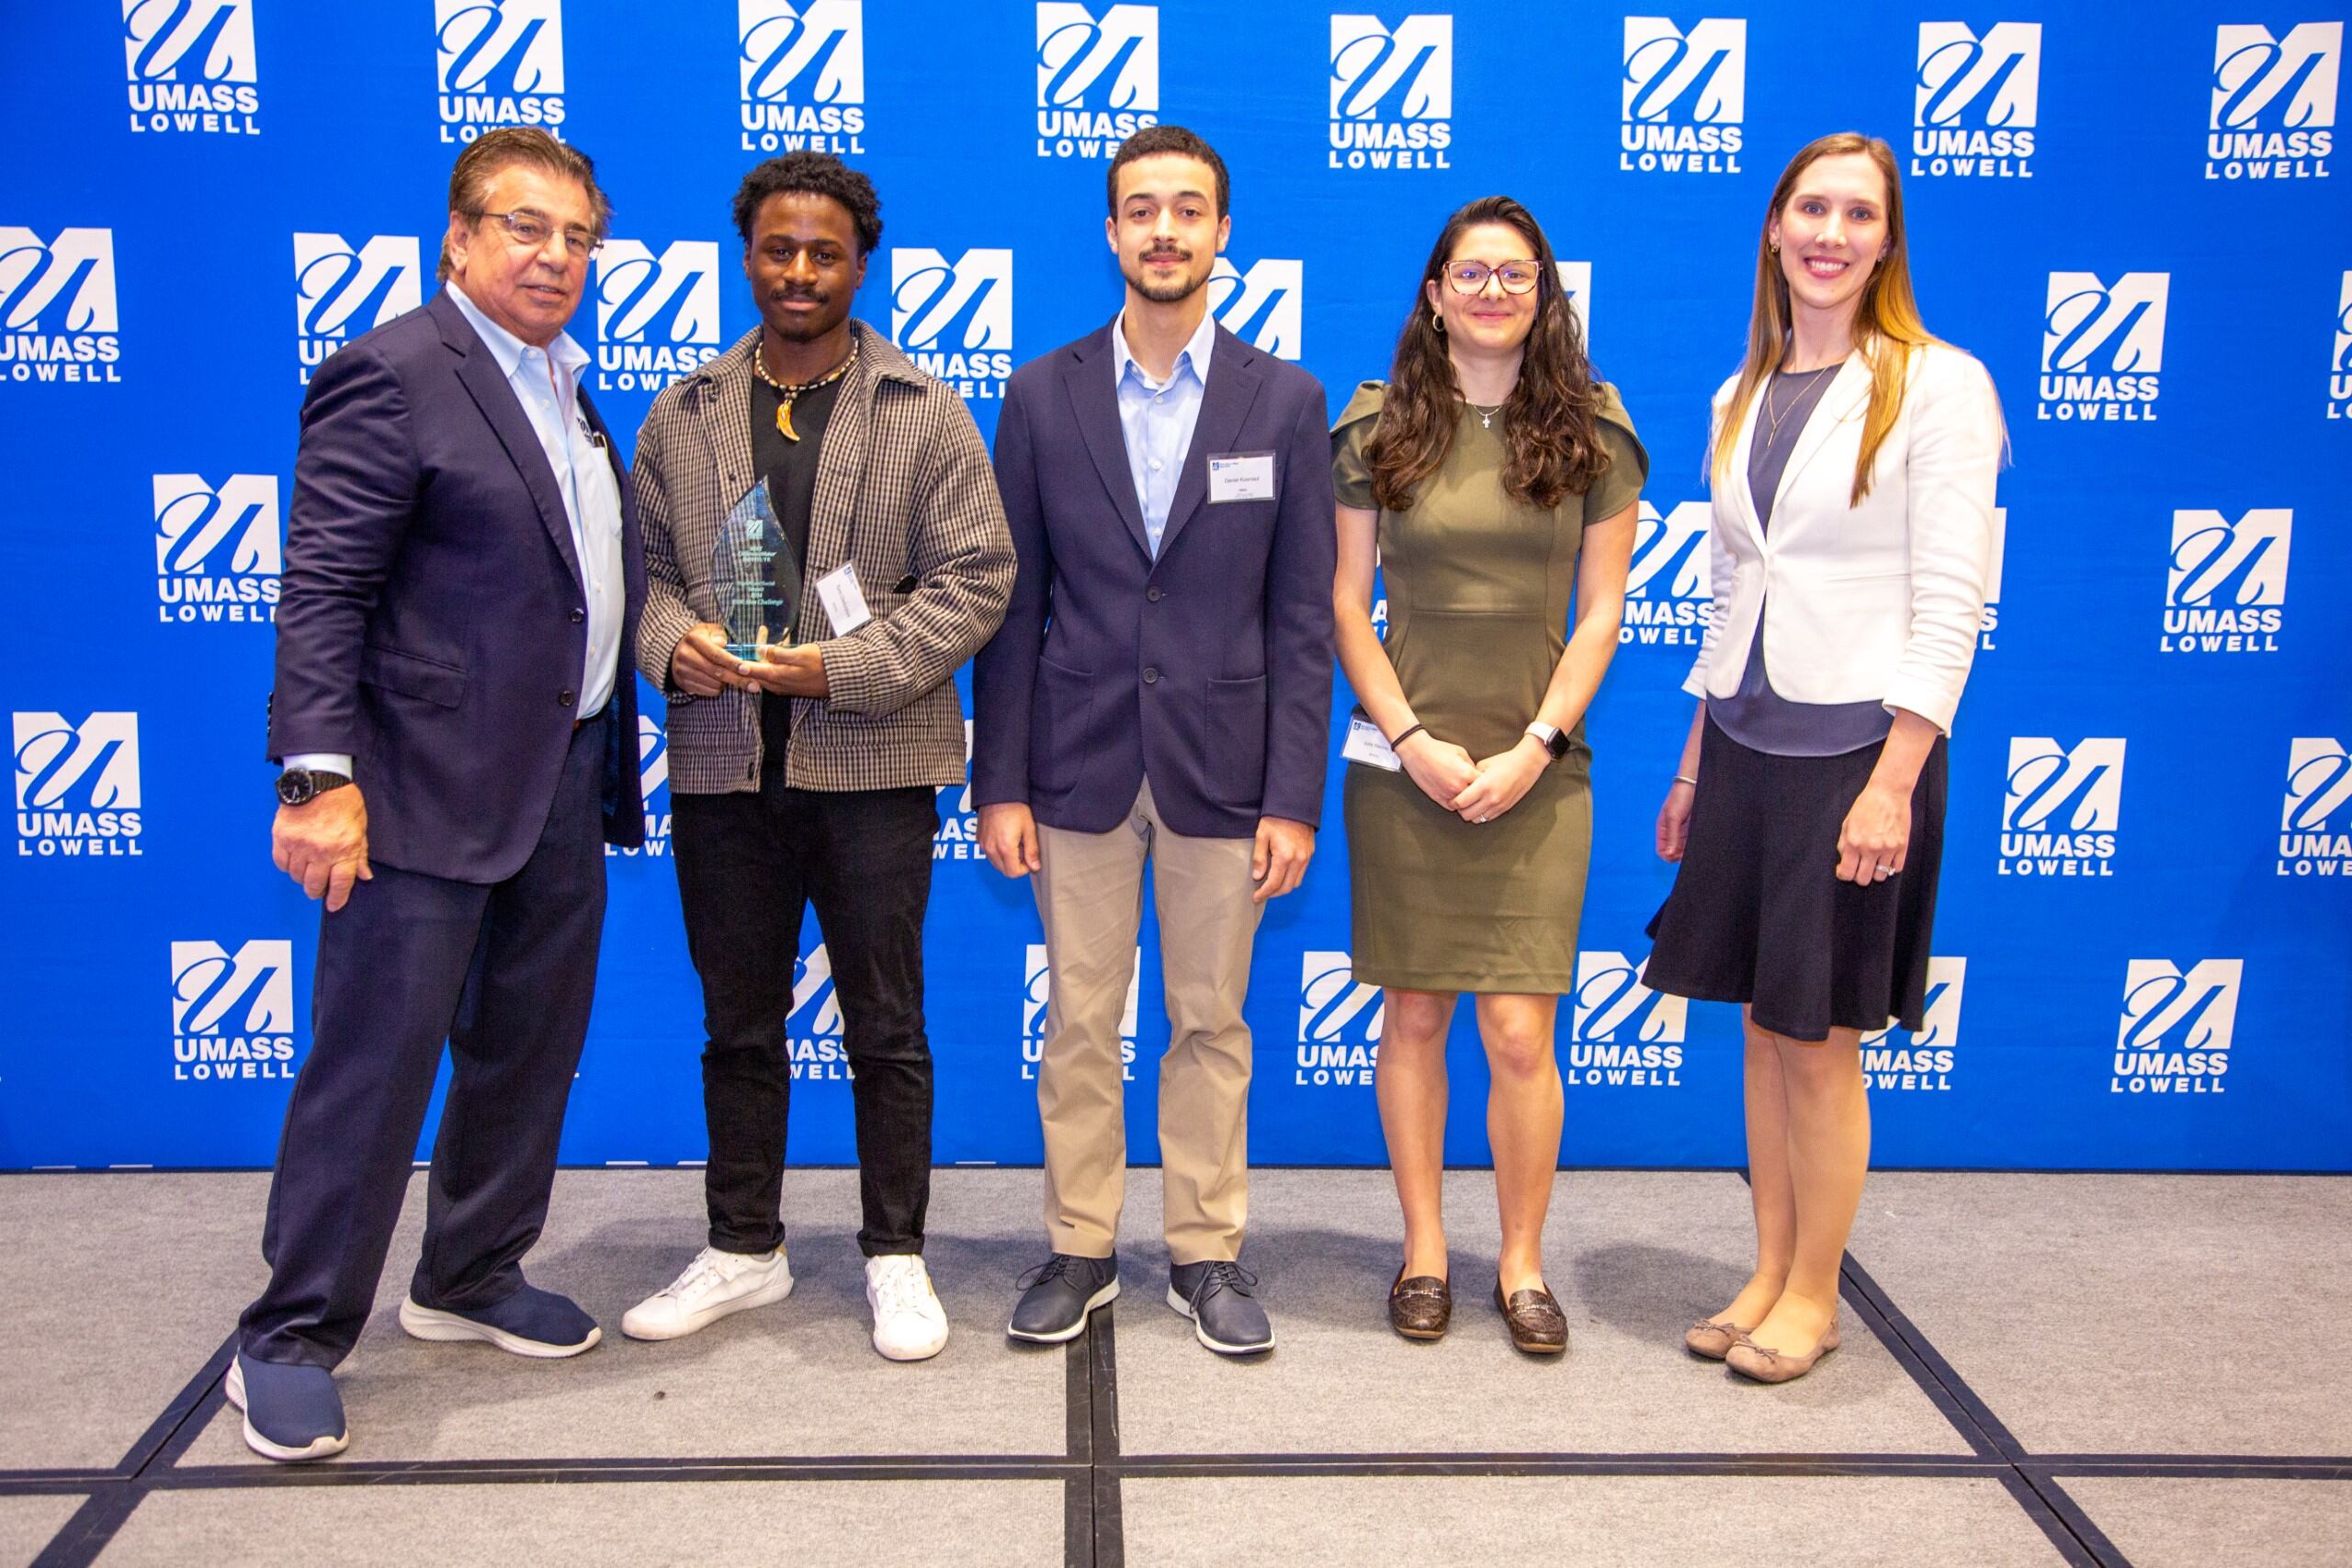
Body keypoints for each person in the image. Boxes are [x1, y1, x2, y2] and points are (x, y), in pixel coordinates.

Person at [237, 127, 644, 1461]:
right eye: (526, 229)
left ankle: (467, 1272)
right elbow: (325, 589)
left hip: (561, 780)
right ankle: (290, 1334)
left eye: (579, 237)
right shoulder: (395, 375)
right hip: (413, 792)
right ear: (459, 238)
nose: (557, 258)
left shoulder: (569, 389)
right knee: (376, 1069)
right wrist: (317, 776)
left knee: (526, 1050)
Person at [621, 152, 1013, 1362]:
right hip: (723, 762)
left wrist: (835, 668)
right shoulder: (684, 411)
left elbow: (977, 578)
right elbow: (637, 573)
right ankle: (745, 1244)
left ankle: (896, 1252)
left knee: (886, 1023)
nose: (799, 270)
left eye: (824, 251)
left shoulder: (921, 407)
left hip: (873, 763)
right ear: (748, 255)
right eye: (778, 248)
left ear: (860, 263)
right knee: (738, 1020)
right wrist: (667, 641)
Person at [1645, 132, 2004, 1383]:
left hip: (1856, 747)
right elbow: (1725, 588)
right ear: (1774, 227)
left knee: (1820, 1036)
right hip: (1744, 739)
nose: (1832, 233)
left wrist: (1895, 778)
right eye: (1811, 207)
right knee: (1758, 1025)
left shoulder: (1939, 382)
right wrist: (1694, 763)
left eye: (1859, 213)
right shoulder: (1737, 395)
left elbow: (1953, 592)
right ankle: (1767, 1263)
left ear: (1887, 240)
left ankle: (1816, 1292)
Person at [974, 125, 1336, 1356]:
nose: (1166, 230)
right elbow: (1014, 606)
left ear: (1223, 233)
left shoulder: (1284, 400)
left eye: (1189, 209)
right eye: (1142, 209)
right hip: (1075, 761)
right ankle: (1080, 1243)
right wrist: (999, 781)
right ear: (1112, 231)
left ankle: (1205, 1250)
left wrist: (1294, 793)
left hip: (1225, 769)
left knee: (1209, 1018)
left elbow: (1302, 615)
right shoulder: (1040, 392)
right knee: (1081, 1017)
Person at [1330, 197, 1645, 1354]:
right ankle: (1422, 1250)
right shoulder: (1376, 430)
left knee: (1519, 1032)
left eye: (1517, 276)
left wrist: (1537, 748)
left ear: (1543, 295)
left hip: (1536, 765)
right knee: (1412, 1015)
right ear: (1434, 290)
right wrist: (1410, 740)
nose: (1493, 292)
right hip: (1402, 760)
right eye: (1472, 273)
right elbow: (1339, 605)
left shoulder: (1591, 431)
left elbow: (1605, 609)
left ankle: (1519, 1262)